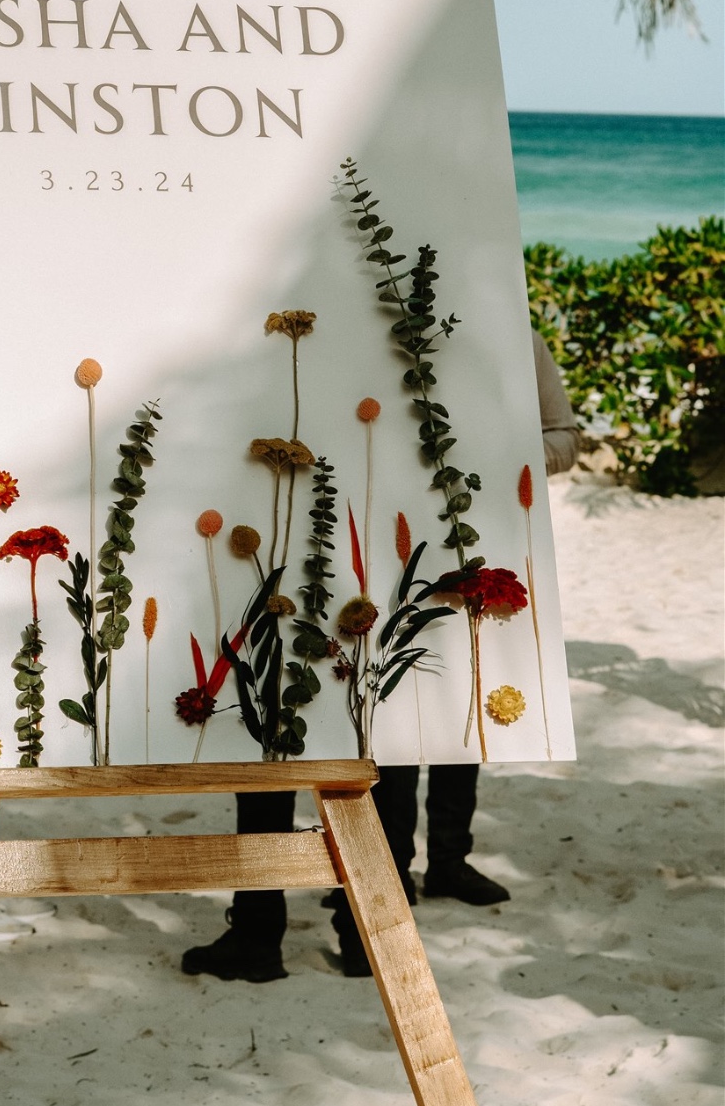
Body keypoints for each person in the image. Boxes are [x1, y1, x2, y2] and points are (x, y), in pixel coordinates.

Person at [181, 330, 580, 984]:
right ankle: (259, 932)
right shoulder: (339, 310)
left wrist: (484, 453)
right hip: (300, 534)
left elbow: (562, 437)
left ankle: (369, 931)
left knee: (385, 742)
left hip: (402, 554)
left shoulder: (507, 328)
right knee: (267, 732)